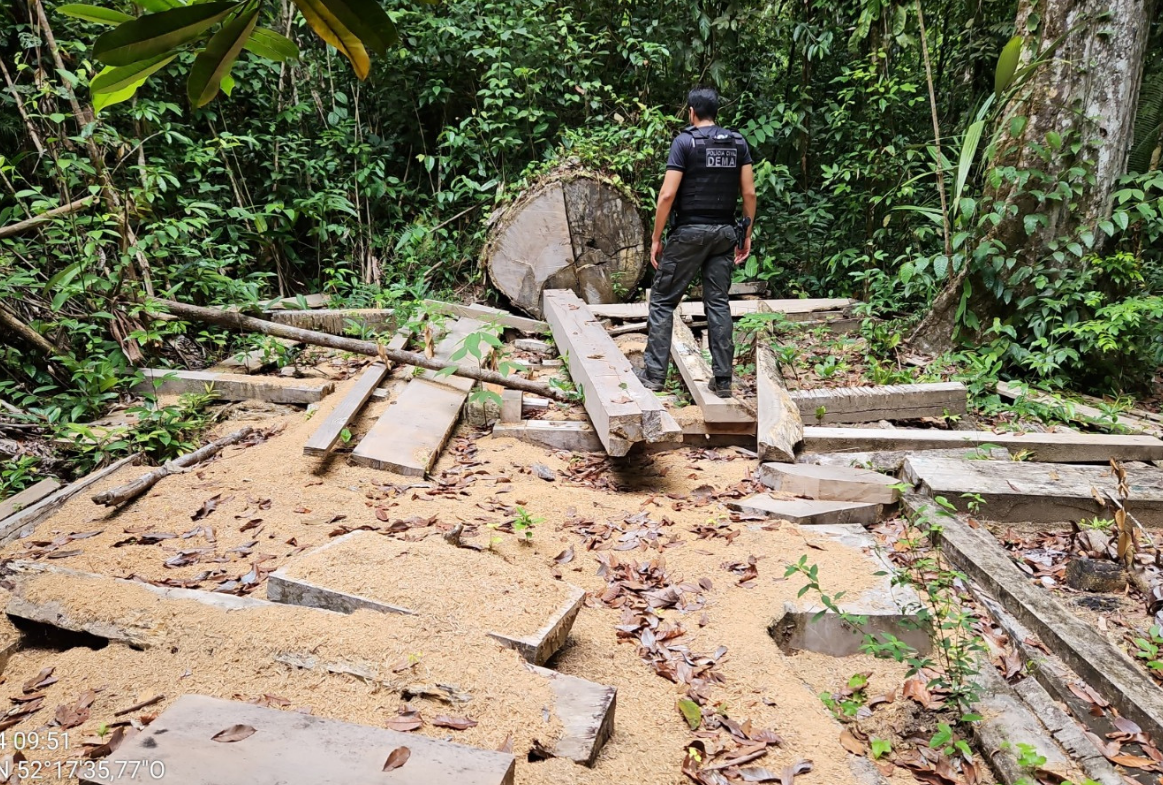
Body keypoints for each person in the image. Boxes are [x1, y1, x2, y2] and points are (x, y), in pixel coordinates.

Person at [638, 87, 756, 397]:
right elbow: (749, 194)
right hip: (723, 234)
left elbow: (667, 195)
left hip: (689, 233)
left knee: (663, 301)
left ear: (691, 111)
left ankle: (653, 376)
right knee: (717, 302)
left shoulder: (684, 142)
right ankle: (723, 380)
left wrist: (656, 237)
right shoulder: (738, 143)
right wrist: (746, 232)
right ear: (716, 113)